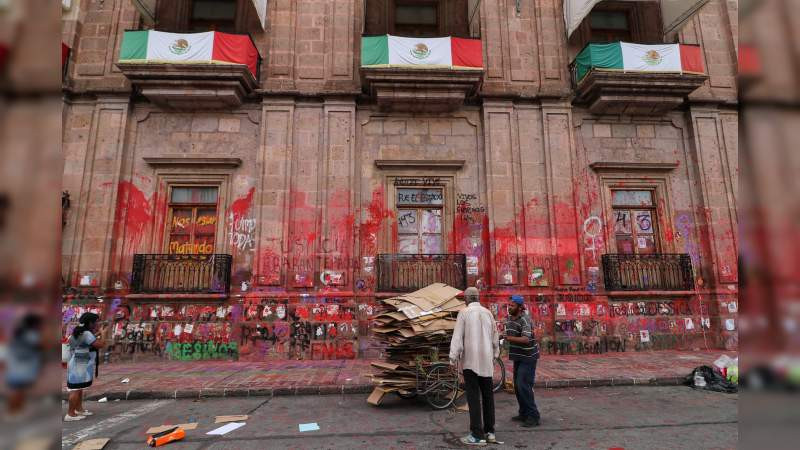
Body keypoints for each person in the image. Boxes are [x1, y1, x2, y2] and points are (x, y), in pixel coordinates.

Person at [450, 287, 499, 446]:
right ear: (477, 298)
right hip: (486, 360)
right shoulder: (488, 313)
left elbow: (457, 338)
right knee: (488, 396)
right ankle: (490, 432)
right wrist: (495, 354)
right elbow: (495, 336)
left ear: (467, 299)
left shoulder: (463, 313)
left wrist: (452, 358)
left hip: (471, 361)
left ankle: (477, 435)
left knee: (473, 397)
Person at [505, 295, 541, 428]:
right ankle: (524, 412)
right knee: (517, 386)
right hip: (518, 357)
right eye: (509, 305)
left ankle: (533, 415)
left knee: (523, 385)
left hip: (528, 357)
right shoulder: (509, 319)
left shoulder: (525, 320)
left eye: (512, 306)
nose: (509, 307)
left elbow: (526, 339)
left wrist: (508, 338)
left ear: (520, 308)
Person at [65, 312, 105, 421]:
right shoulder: (87, 334)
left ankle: (79, 409)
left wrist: (96, 334)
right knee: (76, 389)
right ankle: (70, 414)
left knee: (79, 388)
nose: (97, 324)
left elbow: (82, 342)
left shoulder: (78, 332)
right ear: (90, 323)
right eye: (96, 322)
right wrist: (103, 333)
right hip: (80, 364)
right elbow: (100, 344)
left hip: (77, 362)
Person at [5, 313, 43, 418]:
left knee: (17, 389)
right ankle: (13, 412)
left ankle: (15, 410)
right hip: (25, 366)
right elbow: (41, 345)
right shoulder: (31, 334)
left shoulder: (19, 333)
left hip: (15, 365)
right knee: (18, 390)